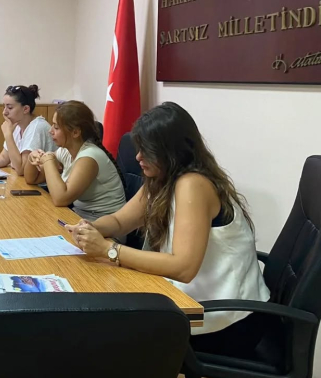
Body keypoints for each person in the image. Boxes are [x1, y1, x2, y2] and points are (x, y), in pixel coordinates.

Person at [68, 102, 270, 349]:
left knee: (108, 335)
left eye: (147, 151)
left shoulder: (193, 184)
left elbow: (183, 268)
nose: (138, 157)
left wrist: (108, 250)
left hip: (228, 318)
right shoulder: (162, 179)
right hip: (191, 300)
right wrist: (90, 227)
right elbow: (120, 221)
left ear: (171, 151)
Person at [25, 101, 126, 217]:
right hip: (81, 216)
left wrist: (48, 161)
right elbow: (32, 179)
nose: (50, 131)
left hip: (102, 222)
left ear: (75, 132)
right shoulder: (65, 151)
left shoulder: (89, 157)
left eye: (56, 127)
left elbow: (60, 199)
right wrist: (32, 157)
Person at [0, 85, 55, 176]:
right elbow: (4, 158)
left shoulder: (37, 127)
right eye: (4, 107)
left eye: (10, 108)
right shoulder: (17, 124)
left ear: (26, 109)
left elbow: (21, 170)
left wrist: (8, 135)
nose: (4, 112)